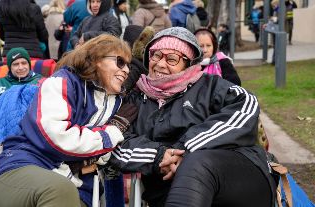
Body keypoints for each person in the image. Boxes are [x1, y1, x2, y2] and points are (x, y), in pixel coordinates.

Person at [108, 27, 276, 207]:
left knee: (197, 161)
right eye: (155, 55)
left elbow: (247, 105)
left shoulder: (209, 86)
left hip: (234, 179)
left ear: (188, 64)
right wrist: (159, 156)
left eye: (172, 59)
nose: (160, 64)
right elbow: (117, 145)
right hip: (169, 190)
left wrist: (187, 148)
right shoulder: (136, 99)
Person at [0, 34, 134, 207]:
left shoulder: (120, 102)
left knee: (66, 193)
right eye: (120, 62)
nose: (126, 70)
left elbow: (105, 155)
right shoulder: (63, 82)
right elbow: (57, 137)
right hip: (25, 165)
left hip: (79, 185)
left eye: (128, 65)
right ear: (97, 59)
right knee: (59, 190)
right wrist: (112, 132)